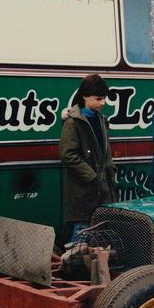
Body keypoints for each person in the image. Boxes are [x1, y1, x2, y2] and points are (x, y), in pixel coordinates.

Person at [59, 74, 117, 242]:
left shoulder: (101, 120)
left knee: (97, 235)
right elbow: (68, 155)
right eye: (99, 99)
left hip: (101, 189)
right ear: (85, 96)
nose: (103, 103)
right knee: (81, 233)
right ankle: (75, 268)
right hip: (83, 192)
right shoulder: (72, 123)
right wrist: (92, 177)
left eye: (105, 99)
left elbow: (106, 154)